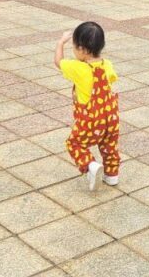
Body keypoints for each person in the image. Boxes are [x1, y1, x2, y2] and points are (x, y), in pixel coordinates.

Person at [54, 22, 120, 190]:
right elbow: (111, 83)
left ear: (82, 49)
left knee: (74, 144)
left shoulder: (78, 67)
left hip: (91, 120)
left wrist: (60, 43)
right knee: (109, 145)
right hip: (111, 118)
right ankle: (112, 175)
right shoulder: (107, 64)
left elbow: (58, 62)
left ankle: (90, 165)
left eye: (74, 47)